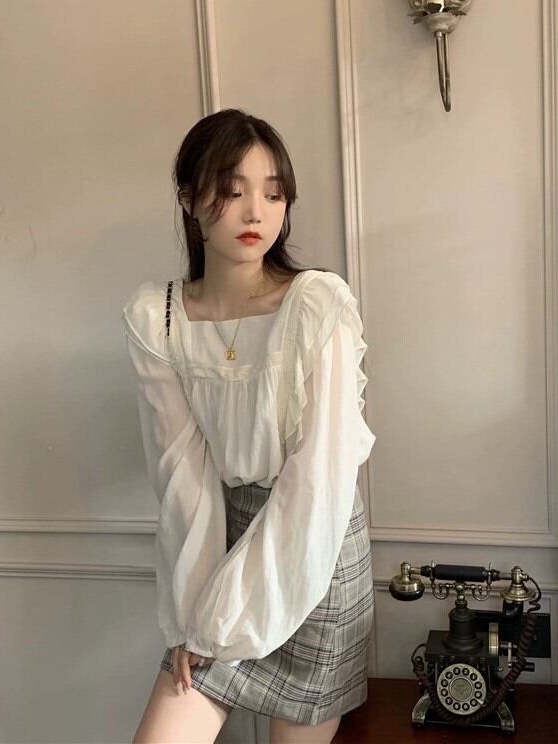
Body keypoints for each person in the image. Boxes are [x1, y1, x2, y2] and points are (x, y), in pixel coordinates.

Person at [122, 108, 376, 743]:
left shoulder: (316, 306)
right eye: (232, 191)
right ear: (189, 198)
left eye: (273, 193)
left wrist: (217, 625)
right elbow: (183, 476)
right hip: (220, 549)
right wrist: (196, 618)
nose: (255, 212)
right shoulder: (161, 319)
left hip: (314, 554)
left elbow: (317, 482)